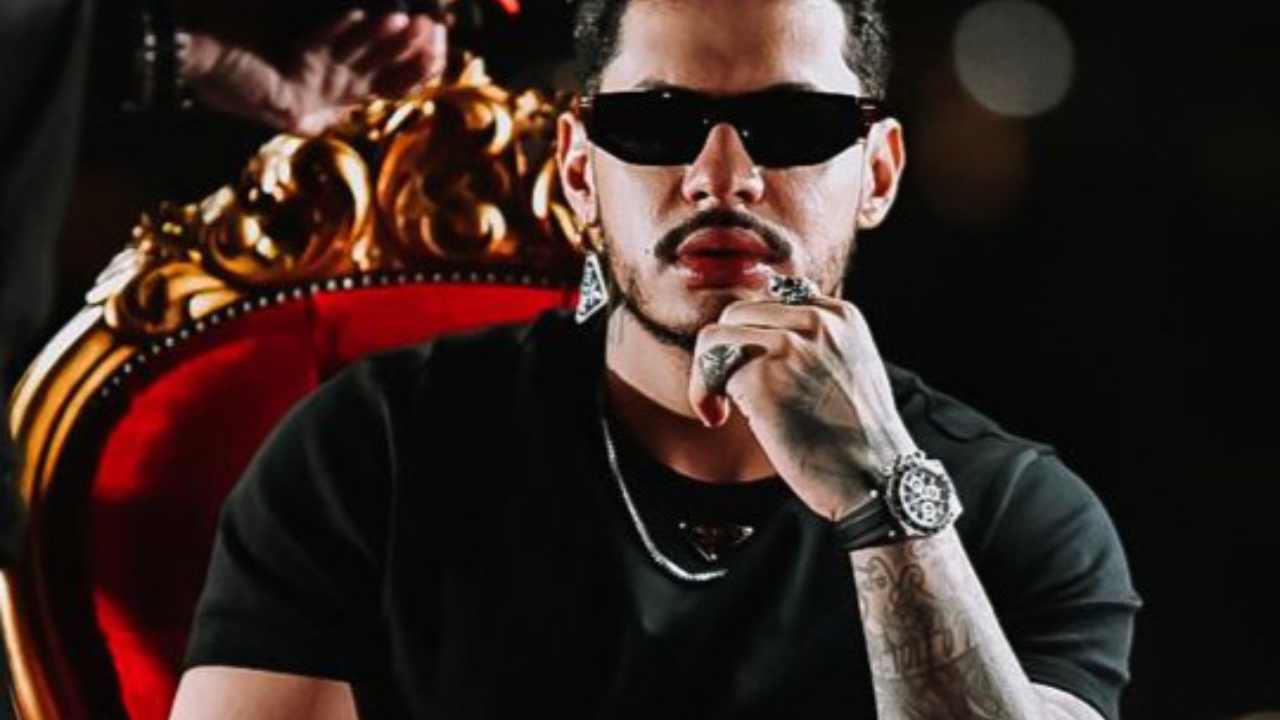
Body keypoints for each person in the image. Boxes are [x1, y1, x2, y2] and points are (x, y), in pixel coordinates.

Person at [171, 0, 1142, 718]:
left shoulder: (1016, 515)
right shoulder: (370, 451)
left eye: (794, 126)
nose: (721, 178)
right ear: (577, 170)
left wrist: (886, 505)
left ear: (877, 172)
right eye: (655, 124)